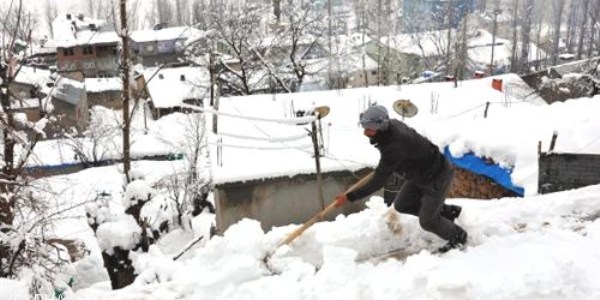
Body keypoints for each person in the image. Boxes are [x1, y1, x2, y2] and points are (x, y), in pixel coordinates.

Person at [335, 105, 467, 252]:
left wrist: (350, 197)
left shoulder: (394, 147)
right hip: (418, 173)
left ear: (381, 126)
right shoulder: (391, 127)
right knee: (402, 205)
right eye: (365, 128)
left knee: (427, 221)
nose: (365, 133)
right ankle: (448, 212)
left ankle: (458, 236)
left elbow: (378, 182)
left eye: (369, 129)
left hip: (436, 176)